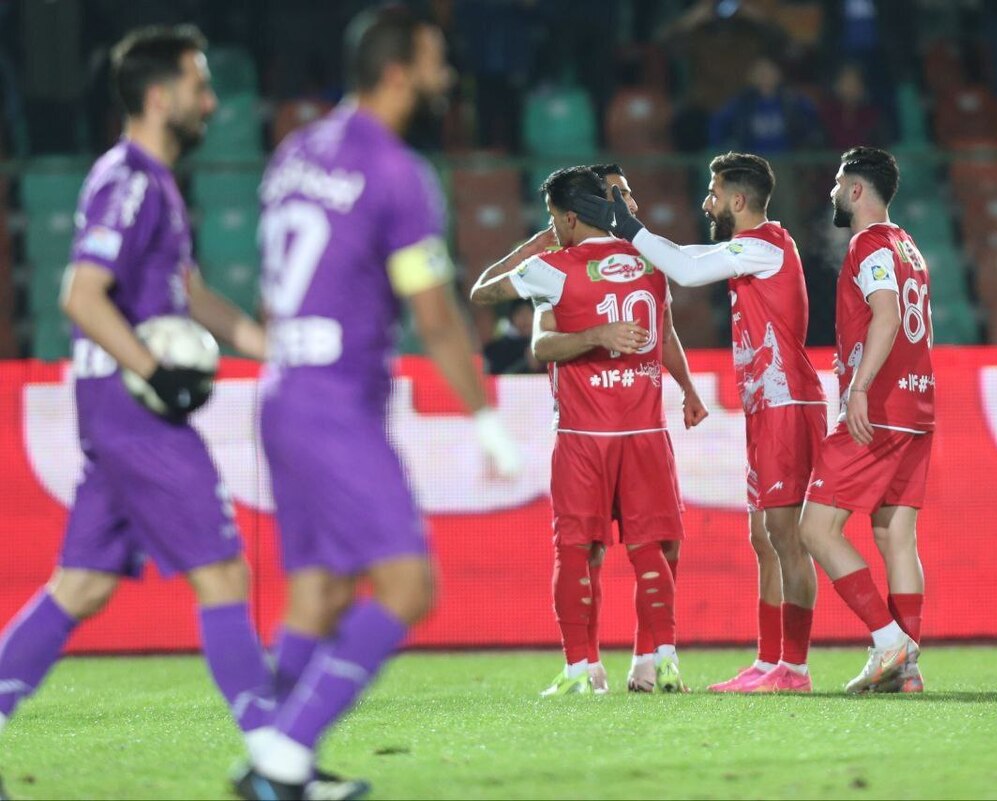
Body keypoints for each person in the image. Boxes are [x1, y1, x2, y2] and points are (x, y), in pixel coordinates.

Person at [238, 8, 521, 799]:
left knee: (321, 591)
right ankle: (283, 755)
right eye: (435, 63)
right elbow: (435, 315)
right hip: (335, 401)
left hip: (282, 392)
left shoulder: (295, 151)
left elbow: (270, 294)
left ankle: (276, 762)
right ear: (398, 73)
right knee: (407, 586)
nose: (446, 77)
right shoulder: (396, 172)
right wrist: (486, 418)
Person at [0, 23, 282, 796]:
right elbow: (81, 296)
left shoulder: (154, 183)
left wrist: (269, 346)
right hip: (133, 409)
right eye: (199, 85)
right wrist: (156, 371)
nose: (211, 102)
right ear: (160, 97)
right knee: (222, 571)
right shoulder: (128, 179)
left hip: (117, 407)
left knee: (82, 586)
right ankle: (276, 762)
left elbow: (189, 295)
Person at [575, 152, 827, 694]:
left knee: (786, 537)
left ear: (738, 199)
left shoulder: (766, 245)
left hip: (787, 403)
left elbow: (687, 271)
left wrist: (627, 226)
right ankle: (768, 661)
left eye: (713, 193)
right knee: (763, 537)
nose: (706, 203)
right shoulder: (747, 250)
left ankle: (795, 669)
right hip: (765, 406)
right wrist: (634, 237)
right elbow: (687, 259)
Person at [470, 166, 694, 696]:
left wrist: (539, 245)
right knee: (651, 548)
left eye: (554, 218)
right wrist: (688, 388)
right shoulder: (651, 259)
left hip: (583, 436)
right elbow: (665, 334)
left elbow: (484, 294)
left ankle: (580, 672)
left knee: (575, 550)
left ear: (568, 218)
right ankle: (663, 662)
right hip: (645, 431)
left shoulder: (551, 268)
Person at [801, 146, 932, 694]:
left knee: (815, 528)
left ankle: (888, 641)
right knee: (894, 533)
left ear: (856, 190)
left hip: (878, 409)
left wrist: (858, 388)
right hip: (918, 406)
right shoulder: (908, 245)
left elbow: (887, 315)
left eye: (838, 183)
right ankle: (907, 671)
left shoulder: (870, 244)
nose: (832, 192)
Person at [588, 163, 708, 692]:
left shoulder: (650, 260)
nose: (631, 204)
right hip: (591, 432)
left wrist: (689, 388)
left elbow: (665, 333)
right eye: (618, 194)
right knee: (589, 550)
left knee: (665, 544)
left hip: (646, 428)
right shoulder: (568, 262)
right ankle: (584, 666)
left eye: (631, 194)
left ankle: (646, 659)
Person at [709, 57, 823, 154]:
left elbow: (812, 120)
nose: (765, 76)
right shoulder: (742, 103)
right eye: (760, 72)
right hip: (753, 162)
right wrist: (725, 147)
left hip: (787, 161)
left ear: (778, 74)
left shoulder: (791, 100)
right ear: (752, 76)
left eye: (769, 71)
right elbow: (719, 123)